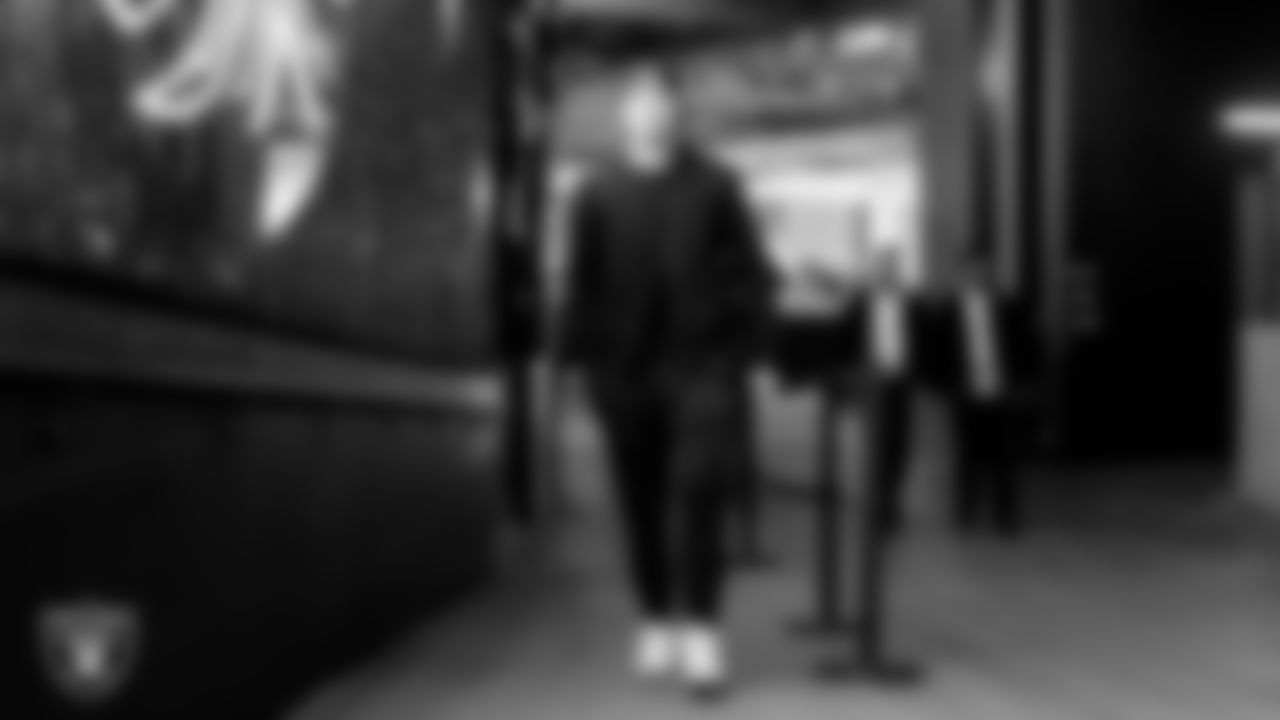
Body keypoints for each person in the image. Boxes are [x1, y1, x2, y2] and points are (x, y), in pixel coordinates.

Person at [560, 64, 774, 699]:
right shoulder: (594, 191)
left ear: (678, 112)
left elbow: (755, 273)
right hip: (624, 375)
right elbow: (580, 286)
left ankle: (704, 632)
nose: (654, 112)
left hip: (703, 368)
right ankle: (655, 612)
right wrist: (581, 369)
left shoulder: (717, 184)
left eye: (664, 100)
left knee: (700, 494)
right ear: (624, 115)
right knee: (640, 503)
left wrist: (750, 355)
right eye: (642, 101)